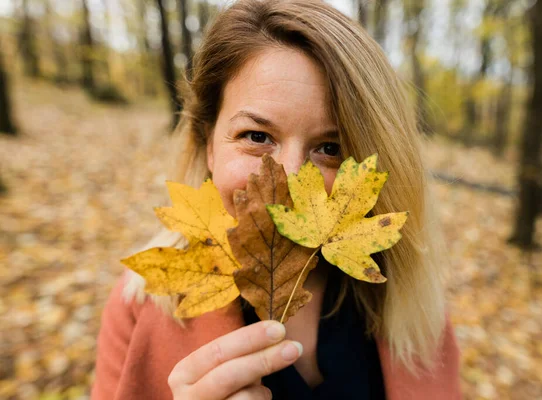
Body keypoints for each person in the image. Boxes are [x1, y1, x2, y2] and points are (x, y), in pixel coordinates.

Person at [91, 0, 461, 399]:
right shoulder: (141, 300)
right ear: (208, 144)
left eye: (330, 147)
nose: (286, 180)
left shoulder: (414, 310)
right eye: (257, 137)